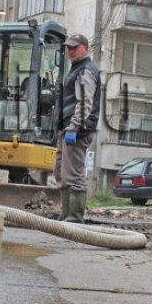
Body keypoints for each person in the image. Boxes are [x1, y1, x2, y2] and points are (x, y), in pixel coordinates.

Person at [54, 34, 101, 223]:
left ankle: (74, 216)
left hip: (77, 130)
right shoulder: (75, 69)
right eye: (69, 48)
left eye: (75, 47)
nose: (71, 51)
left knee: (73, 174)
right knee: (61, 171)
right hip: (67, 128)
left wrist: (74, 128)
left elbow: (85, 103)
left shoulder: (85, 71)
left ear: (86, 48)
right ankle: (66, 214)